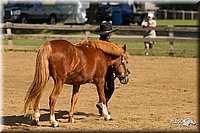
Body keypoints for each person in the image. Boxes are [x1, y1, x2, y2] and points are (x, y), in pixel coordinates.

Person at [94, 21, 118, 116]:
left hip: (99, 69)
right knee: (111, 88)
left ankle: (103, 107)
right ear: (109, 34)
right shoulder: (109, 45)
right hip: (108, 69)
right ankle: (103, 105)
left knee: (103, 89)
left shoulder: (97, 43)